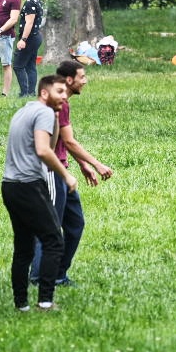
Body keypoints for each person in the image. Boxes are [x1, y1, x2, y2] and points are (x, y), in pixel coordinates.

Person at [29, 59, 113, 287]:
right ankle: (39, 276)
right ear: (69, 80)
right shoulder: (59, 103)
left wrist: (82, 165)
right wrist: (97, 164)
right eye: (82, 77)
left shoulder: (62, 102)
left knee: (75, 224)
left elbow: (64, 142)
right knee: (50, 226)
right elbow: (69, 141)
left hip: (61, 170)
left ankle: (58, 274)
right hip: (51, 171)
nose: (85, 81)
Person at [1, 75, 76, 312]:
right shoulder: (43, 112)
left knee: (23, 247)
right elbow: (44, 151)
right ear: (45, 93)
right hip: (29, 185)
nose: (64, 96)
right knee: (54, 241)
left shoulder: (24, 111)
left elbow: (49, 145)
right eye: (59, 91)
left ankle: (21, 304)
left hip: (10, 186)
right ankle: (45, 301)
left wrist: (56, 119)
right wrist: (66, 175)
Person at [12, 0, 45, 97]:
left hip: (30, 38)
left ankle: (24, 93)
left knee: (18, 66)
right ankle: (31, 92)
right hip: (36, 37)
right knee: (31, 66)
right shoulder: (37, 0)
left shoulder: (30, 2)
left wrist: (23, 39)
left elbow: (29, 23)